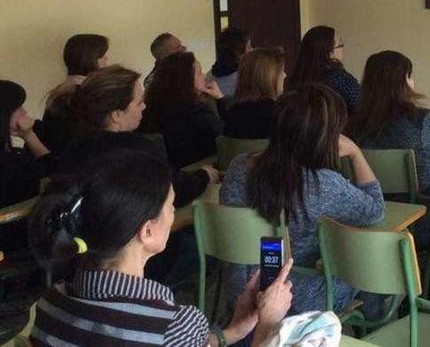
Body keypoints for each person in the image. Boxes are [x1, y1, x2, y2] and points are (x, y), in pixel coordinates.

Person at [27, 149, 293, 346]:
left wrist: (232, 331)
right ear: (147, 231)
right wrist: (267, 326)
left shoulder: (49, 305)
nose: (174, 212)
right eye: (171, 206)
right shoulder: (174, 325)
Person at [221, 83, 385, 315]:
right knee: (369, 264)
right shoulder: (323, 183)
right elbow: (376, 209)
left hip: (240, 289)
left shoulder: (238, 166)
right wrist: (356, 153)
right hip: (293, 297)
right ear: (325, 136)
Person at [348, 50, 430, 247]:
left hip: (371, 225)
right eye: (410, 76)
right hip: (427, 225)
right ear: (404, 81)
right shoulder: (423, 123)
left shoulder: (351, 128)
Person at [57, 65, 218, 208]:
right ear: (117, 115)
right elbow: (171, 191)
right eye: (139, 102)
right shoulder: (137, 150)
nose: (145, 106)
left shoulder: (72, 150)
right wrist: (204, 176)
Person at [142, 52, 224, 169]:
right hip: (198, 171)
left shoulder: (149, 108)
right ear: (188, 80)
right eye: (200, 73)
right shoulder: (197, 112)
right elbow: (226, 136)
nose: (204, 76)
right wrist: (220, 99)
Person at [0, 80, 52, 254]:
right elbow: (54, 172)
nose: (25, 112)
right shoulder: (12, 163)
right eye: (19, 108)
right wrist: (29, 136)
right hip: (15, 245)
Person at [37, 33, 110, 152]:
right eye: (103, 56)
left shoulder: (59, 91)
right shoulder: (86, 95)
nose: (107, 60)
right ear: (91, 59)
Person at [288, 26, 359, 114]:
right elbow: (362, 106)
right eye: (340, 45)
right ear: (329, 53)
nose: (343, 49)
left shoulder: (295, 80)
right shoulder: (340, 79)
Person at [224, 48, 286, 139]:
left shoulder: (230, 115)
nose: (285, 75)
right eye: (281, 72)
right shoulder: (281, 116)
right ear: (269, 78)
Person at [208, 27, 252, 98]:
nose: (252, 50)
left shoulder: (209, 76)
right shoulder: (246, 78)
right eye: (249, 47)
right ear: (239, 54)